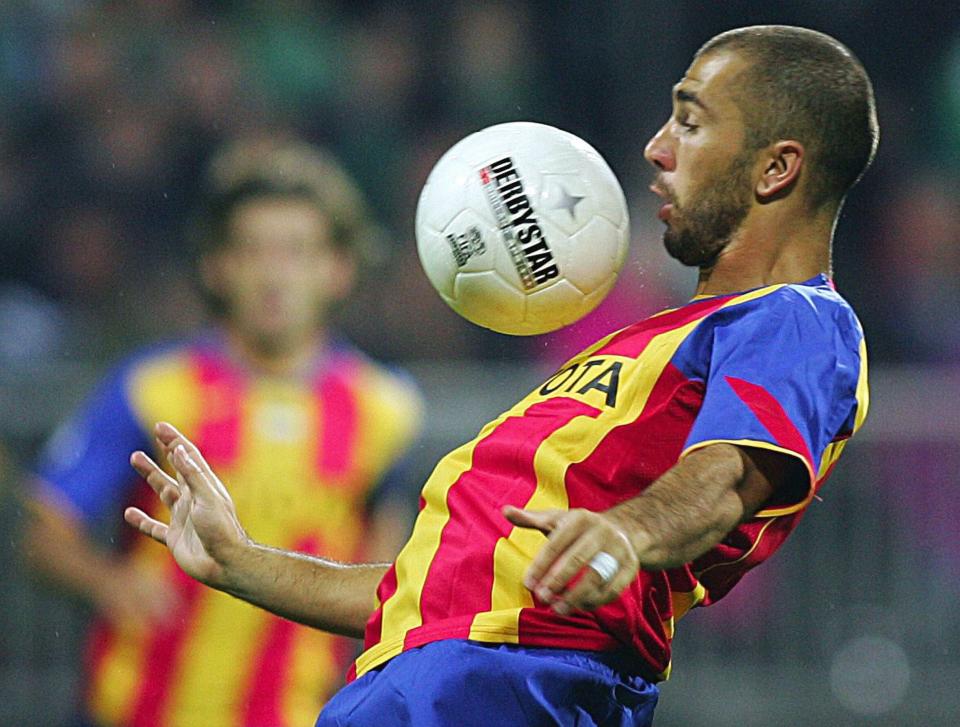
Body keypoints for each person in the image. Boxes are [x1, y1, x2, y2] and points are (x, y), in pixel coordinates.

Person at [123, 25, 877, 727]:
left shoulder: (798, 321)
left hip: (504, 680)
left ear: (777, 167)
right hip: (432, 673)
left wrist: (626, 532)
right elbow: (424, 587)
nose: (656, 147)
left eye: (690, 120)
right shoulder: (652, 345)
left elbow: (726, 476)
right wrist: (242, 562)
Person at [22, 138, 423, 727]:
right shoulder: (154, 388)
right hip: (136, 710)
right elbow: (42, 527)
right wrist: (111, 582)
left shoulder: (385, 410)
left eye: (295, 252)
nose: (273, 275)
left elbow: (384, 582)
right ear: (217, 267)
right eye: (253, 251)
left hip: (293, 713)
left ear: (337, 269)